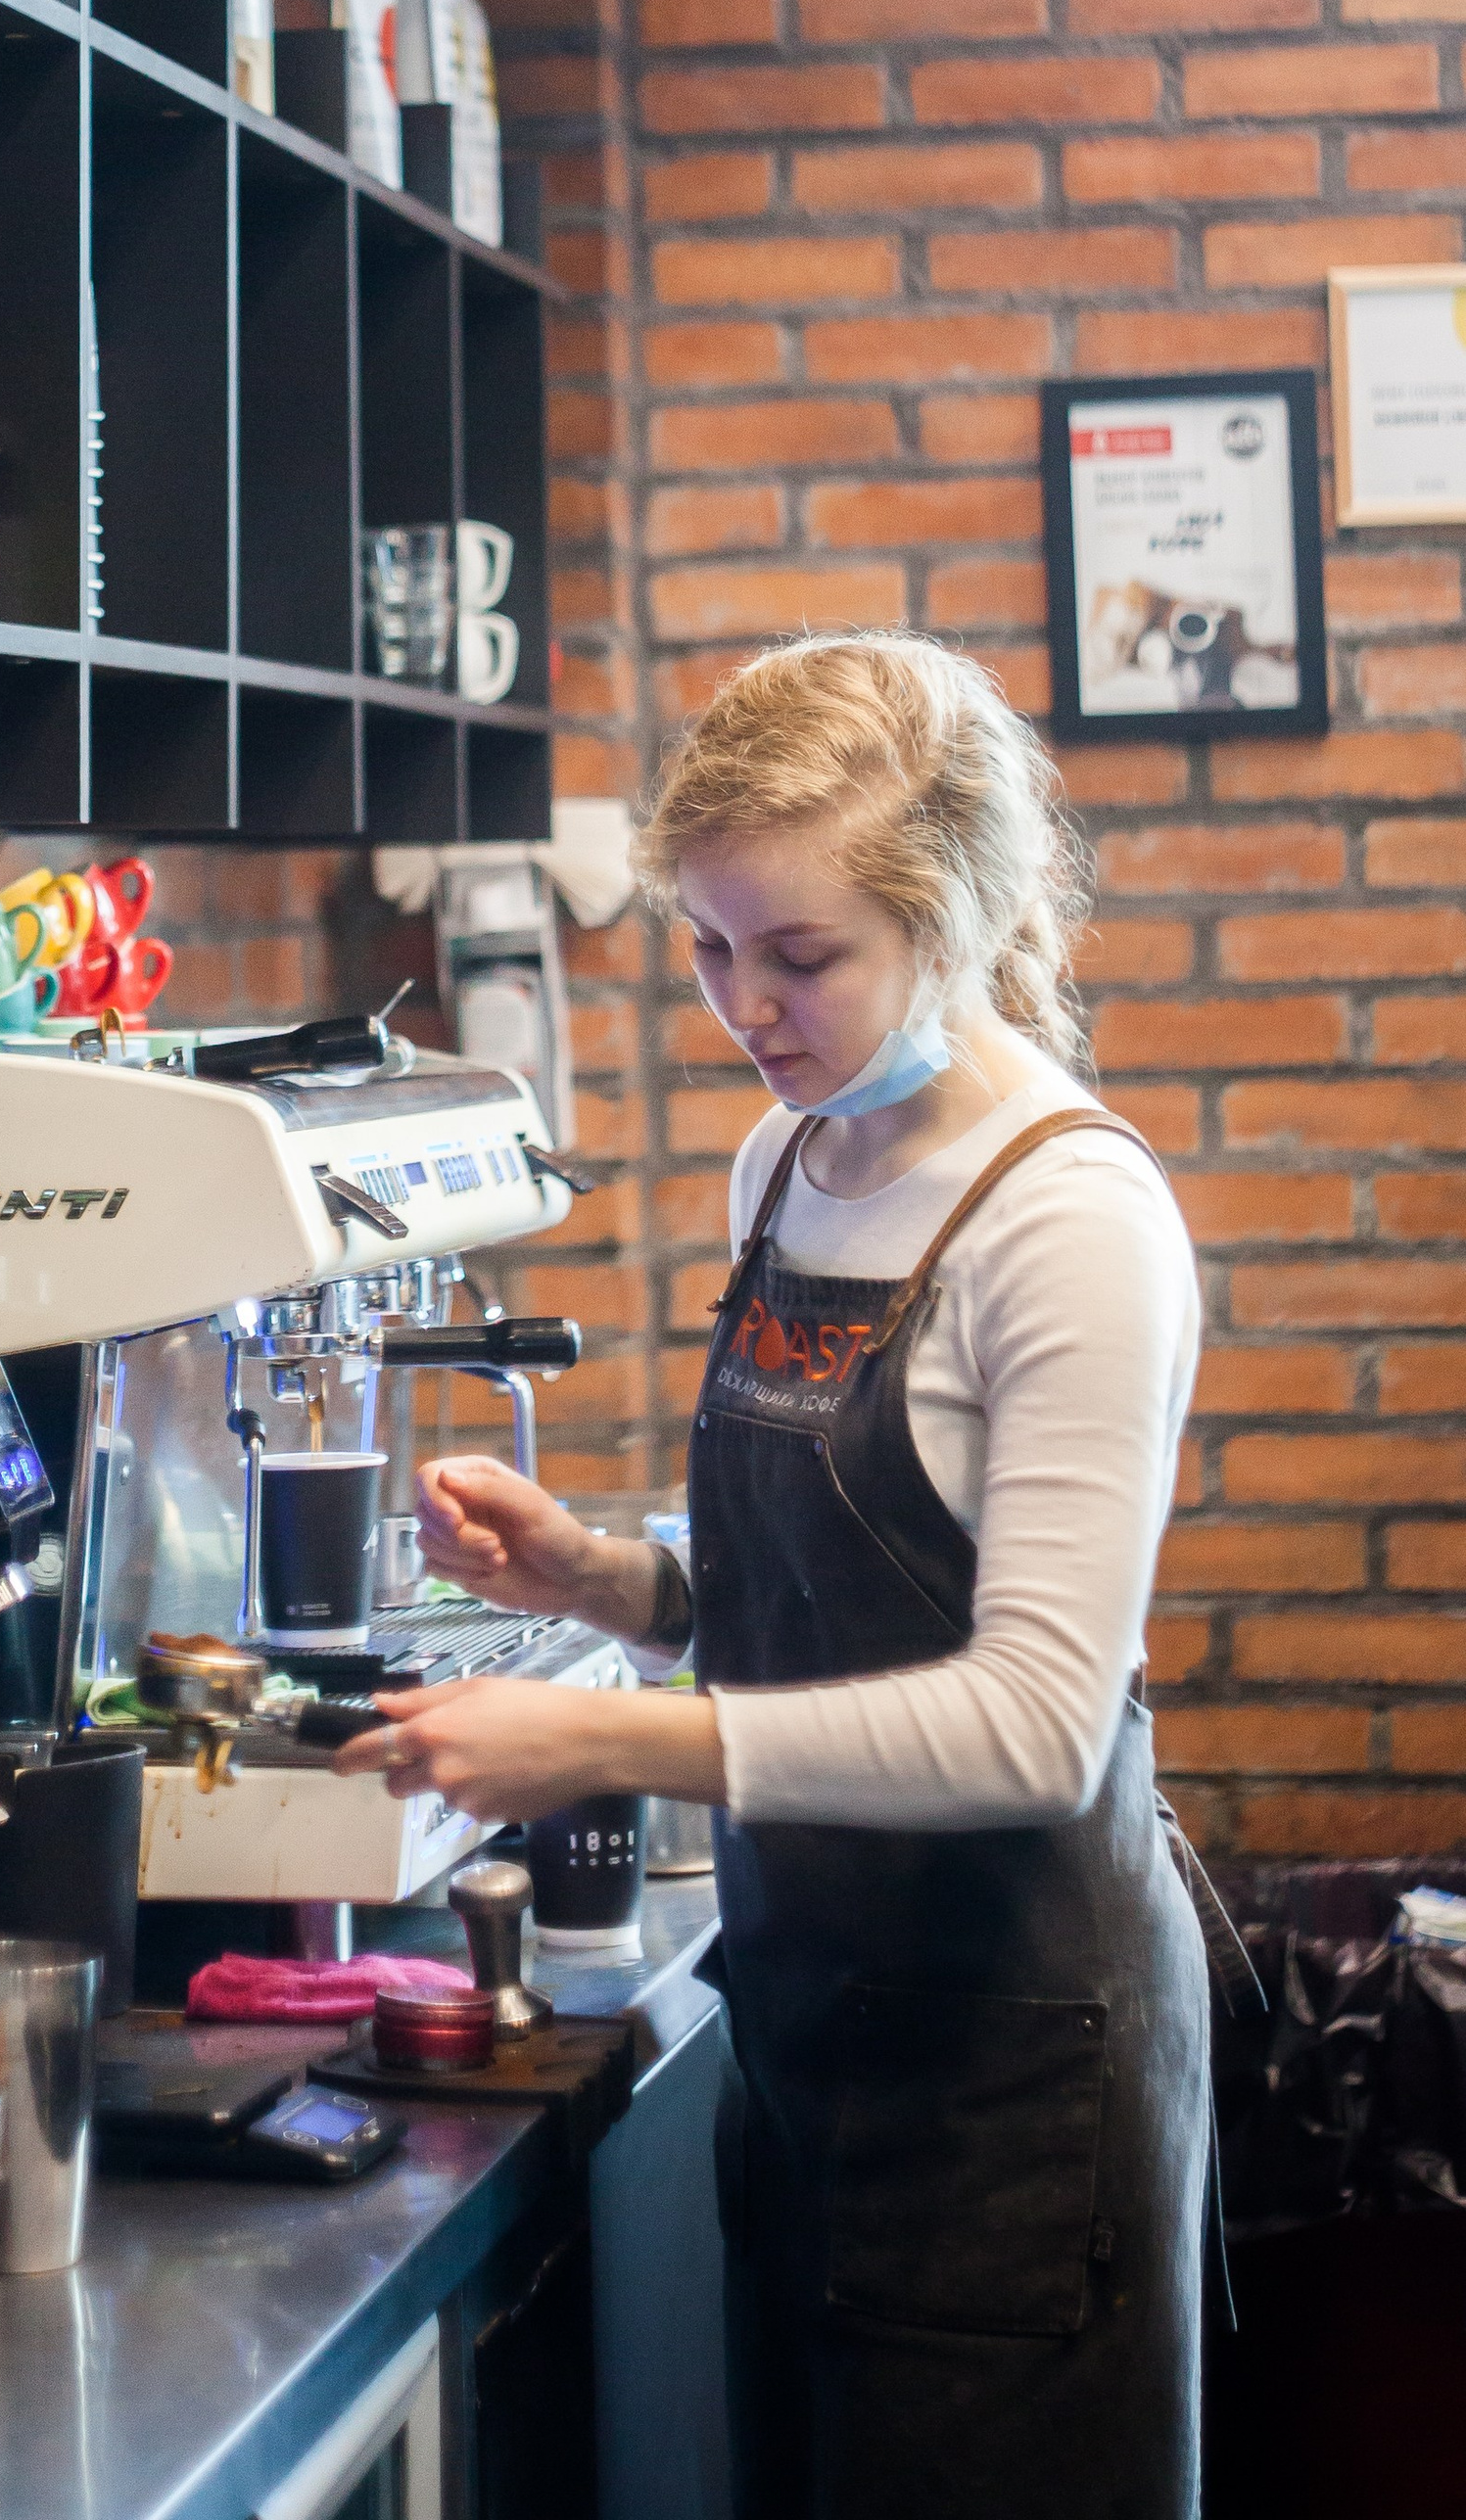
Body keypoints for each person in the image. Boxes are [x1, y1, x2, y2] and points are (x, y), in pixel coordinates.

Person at [333, 631, 1209, 2519]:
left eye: (803, 956)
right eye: (714, 945)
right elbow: (827, 1596)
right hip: (814, 2054)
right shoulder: (788, 1161)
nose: (747, 1002)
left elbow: (1036, 1726)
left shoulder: (1068, 1222)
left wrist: (596, 1743)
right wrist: (606, 1581)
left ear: (960, 915)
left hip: (1012, 2096)